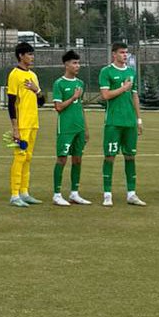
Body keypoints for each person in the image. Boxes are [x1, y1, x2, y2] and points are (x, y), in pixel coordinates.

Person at [98, 41, 146, 207]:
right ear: (114, 54)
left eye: (126, 53)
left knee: (130, 156)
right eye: (122, 52)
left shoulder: (131, 72)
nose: (125, 55)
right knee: (110, 157)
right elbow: (105, 95)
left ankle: (131, 193)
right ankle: (107, 194)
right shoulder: (106, 72)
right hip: (113, 122)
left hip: (129, 122)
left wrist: (138, 119)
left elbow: (134, 96)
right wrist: (124, 88)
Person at [6, 42, 43, 206]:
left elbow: (41, 101)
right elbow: (11, 103)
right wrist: (15, 127)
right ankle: (14, 195)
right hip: (21, 125)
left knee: (28, 158)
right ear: (21, 56)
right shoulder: (15, 75)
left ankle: (24, 192)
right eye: (29, 54)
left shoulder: (33, 76)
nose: (32, 57)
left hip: (33, 123)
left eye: (32, 54)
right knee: (19, 157)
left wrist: (37, 90)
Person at [51, 50, 90, 206]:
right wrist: (73, 97)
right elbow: (58, 107)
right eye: (74, 63)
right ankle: (57, 194)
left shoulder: (80, 83)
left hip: (78, 128)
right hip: (65, 128)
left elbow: (80, 107)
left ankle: (74, 193)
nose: (77, 66)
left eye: (78, 63)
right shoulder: (59, 83)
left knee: (78, 159)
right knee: (62, 159)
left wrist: (86, 128)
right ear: (66, 64)